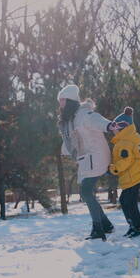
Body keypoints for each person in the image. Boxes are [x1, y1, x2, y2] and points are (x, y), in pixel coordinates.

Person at [57, 84, 120, 241]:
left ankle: (98, 229)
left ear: (70, 101)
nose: (60, 104)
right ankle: (106, 225)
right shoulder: (71, 119)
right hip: (87, 159)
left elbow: (97, 120)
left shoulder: (84, 113)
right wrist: (64, 150)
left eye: (62, 100)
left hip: (96, 156)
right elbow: (72, 139)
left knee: (85, 192)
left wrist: (109, 125)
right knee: (86, 192)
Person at [108, 107, 140, 238]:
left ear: (122, 128)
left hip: (133, 177)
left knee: (127, 201)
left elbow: (126, 160)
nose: (113, 132)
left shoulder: (124, 143)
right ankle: (135, 226)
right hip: (132, 177)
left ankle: (137, 227)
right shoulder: (125, 141)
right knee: (127, 201)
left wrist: (114, 168)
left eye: (115, 129)